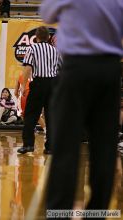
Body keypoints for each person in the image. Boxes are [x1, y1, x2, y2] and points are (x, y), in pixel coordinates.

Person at [40, 0, 123, 217]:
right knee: (105, 148)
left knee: (66, 145)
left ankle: (59, 212)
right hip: (110, 69)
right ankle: (97, 212)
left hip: (77, 67)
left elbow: (47, 13)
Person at [17, 26, 61, 155]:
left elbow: (27, 69)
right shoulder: (55, 50)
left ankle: (28, 145)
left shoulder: (32, 48)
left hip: (38, 84)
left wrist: (23, 86)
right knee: (51, 116)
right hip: (53, 84)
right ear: (48, 37)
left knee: (31, 115)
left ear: (36, 37)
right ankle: (50, 147)